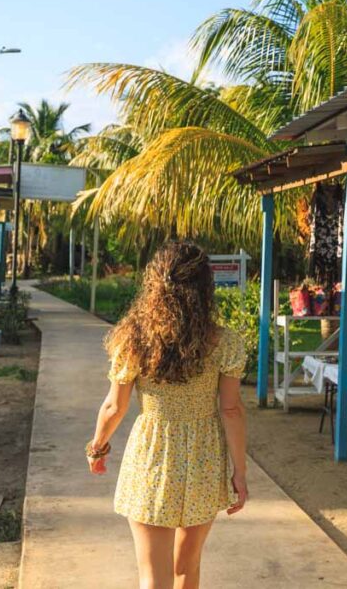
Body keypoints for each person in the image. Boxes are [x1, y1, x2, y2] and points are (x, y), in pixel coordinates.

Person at [86, 241, 248, 589]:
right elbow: (231, 410)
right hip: (204, 458)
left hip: (152, 458)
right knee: (187, 569)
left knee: (152, 577)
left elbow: (115, 406)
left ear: (154, 284)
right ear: (206, 288)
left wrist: (97, 447)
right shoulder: (226, 342)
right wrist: (240, 473)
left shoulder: (133, 339)